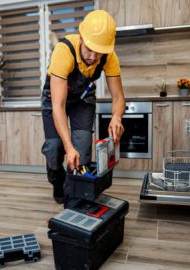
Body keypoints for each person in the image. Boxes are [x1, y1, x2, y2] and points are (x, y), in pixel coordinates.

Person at [41, 10, 125, 204]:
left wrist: (117, 116)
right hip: (55, 99)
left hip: (83, 99)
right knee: (55, 148)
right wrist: (68, 147)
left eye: (99, 52)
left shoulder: (109, 56)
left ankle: (75, 198)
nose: (94, 56)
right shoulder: (64, 51)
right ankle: (57, 182)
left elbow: (118, 96)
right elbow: (58, 106)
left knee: (83, 149)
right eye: (89, 49)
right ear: (81, 38)